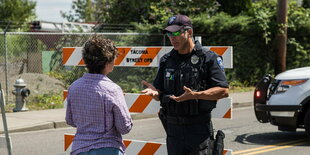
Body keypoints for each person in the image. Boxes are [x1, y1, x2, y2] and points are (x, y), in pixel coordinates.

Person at [141, 14, 229, 155]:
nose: (172, 37)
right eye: (169, 33)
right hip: (173, 131)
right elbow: (160, 92)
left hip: (198, 130)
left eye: (176, 32)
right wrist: (156, 93)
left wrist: (195, 95)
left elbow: (223, 91)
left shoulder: (208, 58)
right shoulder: (166, 60)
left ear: (189, 32)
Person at [66, 35, 133, 155]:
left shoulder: (74, 87)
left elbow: (70, 120)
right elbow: (124, 127)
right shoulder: (112, 89)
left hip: (79, 148)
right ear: (107, 61)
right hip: (108, 148)